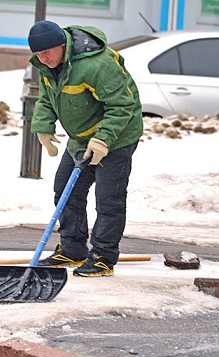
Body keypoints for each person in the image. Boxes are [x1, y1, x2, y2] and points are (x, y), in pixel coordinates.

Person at [27, 21, 143, 277]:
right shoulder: (48, 64)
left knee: (108, 199)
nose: (42, 59)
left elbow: (122, 105)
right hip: (80, 139)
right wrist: (43, 126)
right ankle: (72, 249)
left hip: (117, 136)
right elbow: (48, 98)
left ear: (62, 45)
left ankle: (103, 257)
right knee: (66, 192)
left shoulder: (96, 65)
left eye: (46, 53)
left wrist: (103, 140)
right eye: (37, 55)